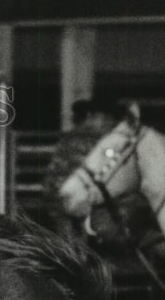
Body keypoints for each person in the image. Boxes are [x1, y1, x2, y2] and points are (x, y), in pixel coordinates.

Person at [41, 97, 121, 242]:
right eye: (103, 118)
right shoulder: (87, 140)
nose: (108, 123)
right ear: (91, 117)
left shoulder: (74, 137)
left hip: (60, 197)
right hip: (72, 198)